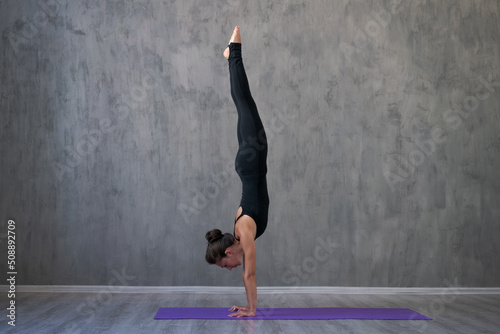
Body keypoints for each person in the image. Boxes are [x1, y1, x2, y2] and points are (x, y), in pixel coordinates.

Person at [205, 26, 269, 318]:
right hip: (250, 160)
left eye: (224, 266)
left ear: (228, 253)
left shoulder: (243, 232)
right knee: (246, 104)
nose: (229, 269)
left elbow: (249, 276)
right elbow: (247, 275)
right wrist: (248, 306)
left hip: (251, 158)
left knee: (244, 105)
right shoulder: (242, 236)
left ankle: (233, 53)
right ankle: (232, 55)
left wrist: (252, 312)